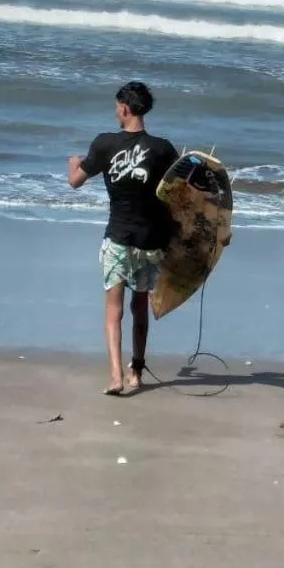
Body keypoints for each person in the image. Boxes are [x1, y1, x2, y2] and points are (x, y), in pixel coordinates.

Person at [67, 81, 180, 395]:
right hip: (151, 242)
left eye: (117, 106)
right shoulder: (163, 149)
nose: (116, 111)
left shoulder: (105, 144)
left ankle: (116, 376)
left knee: (113, 307)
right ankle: (137, 372)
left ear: (125, 108)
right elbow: (183, 190)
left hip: (118, 237)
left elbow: (75, 182)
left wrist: (73, 164)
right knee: (139, 306)